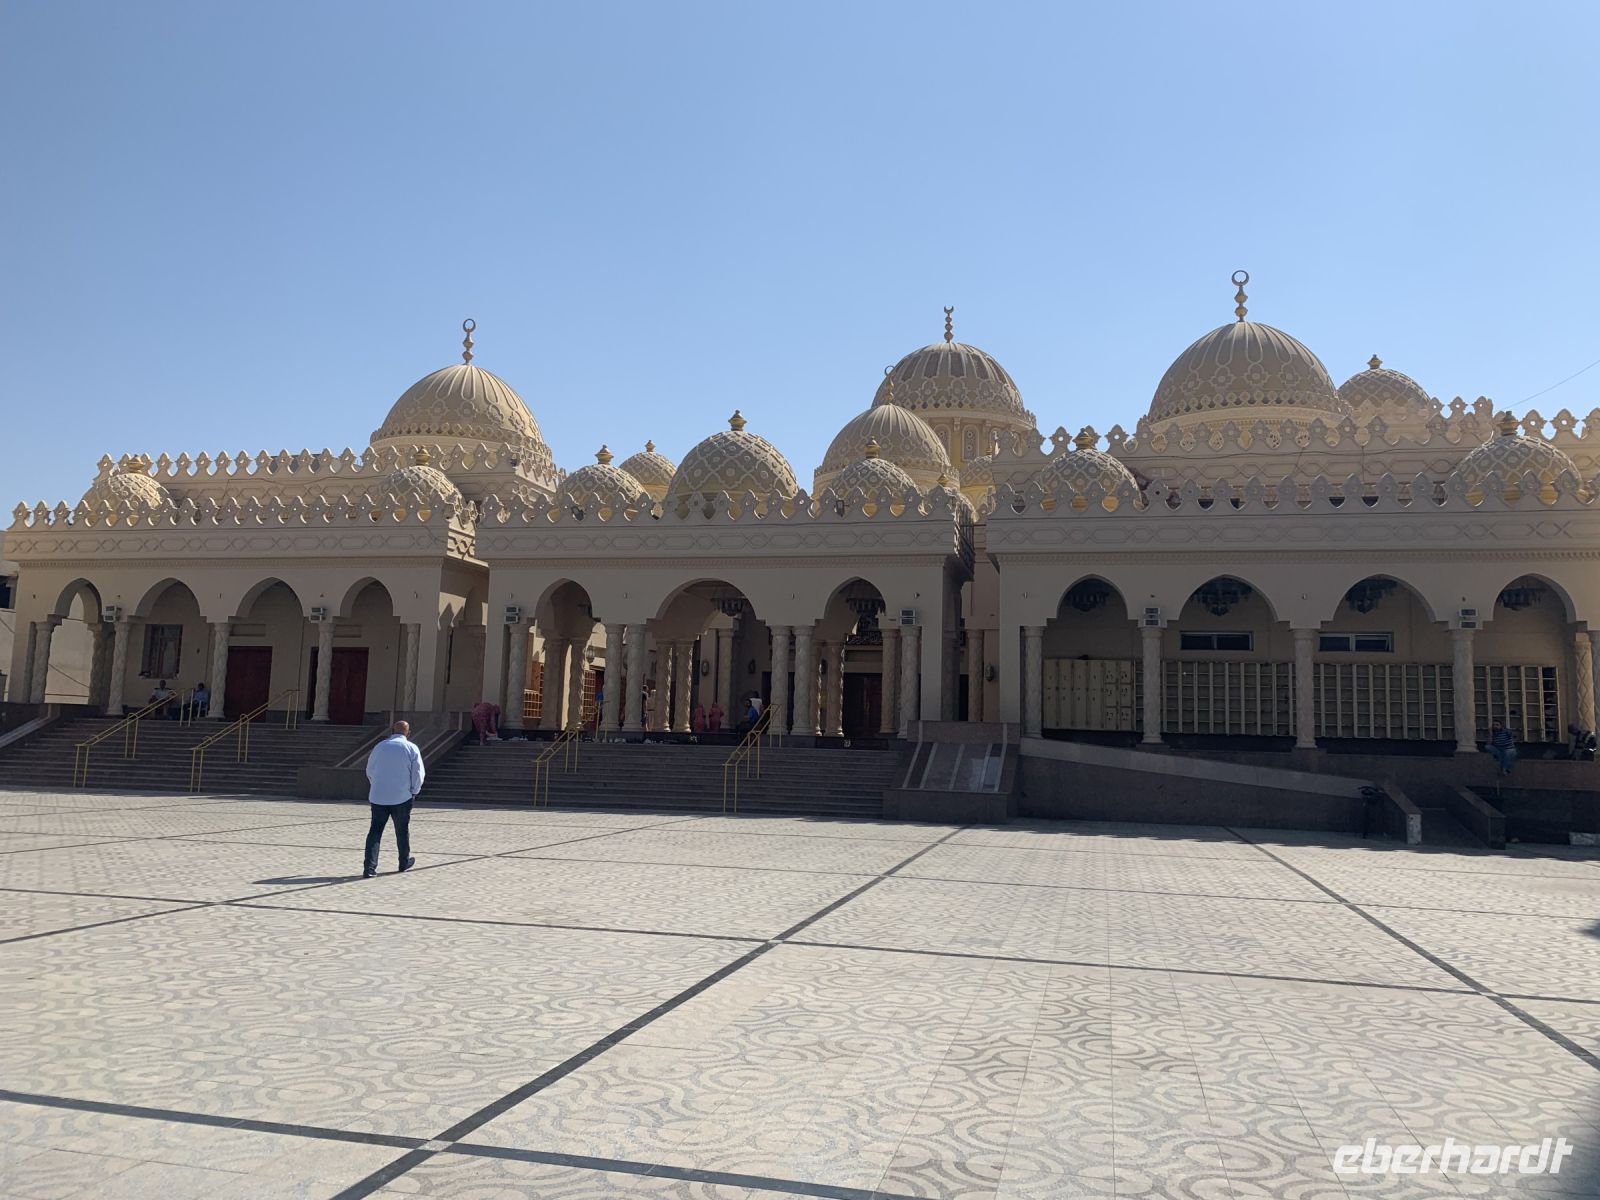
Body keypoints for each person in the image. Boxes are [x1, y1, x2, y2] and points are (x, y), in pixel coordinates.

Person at [364, 720, 423, 877]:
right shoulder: (411, 748)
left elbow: (370, 770)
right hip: (402, 796)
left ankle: (369, 868)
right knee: (402, 830)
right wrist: (414, 791)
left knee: (375, 831)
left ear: (392, 731)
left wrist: (377, 785)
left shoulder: (380, 747)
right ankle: (403, 862)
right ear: (408, 733)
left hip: (378, 797)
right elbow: (418, 773)